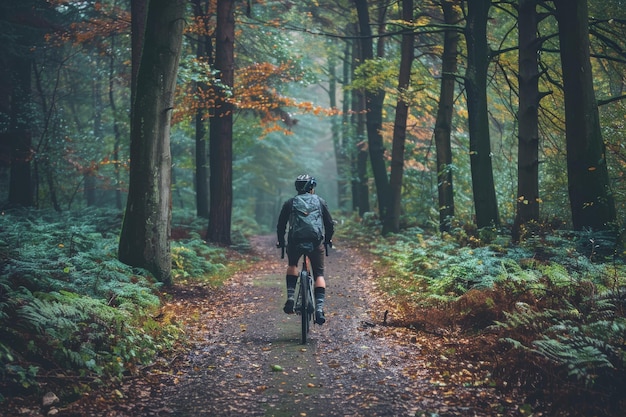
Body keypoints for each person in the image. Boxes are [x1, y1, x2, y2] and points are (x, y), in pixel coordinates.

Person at [276, 174, 334, 325]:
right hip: (315, 243)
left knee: (293, 265)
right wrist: (327, 240)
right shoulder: (320, 201)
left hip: (295, 242)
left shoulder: (290, 203)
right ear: (311, 187)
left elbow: (281, 225)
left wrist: (281, 242)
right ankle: (319, 309)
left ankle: (290, 298)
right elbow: (329, 224)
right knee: (319, 274)